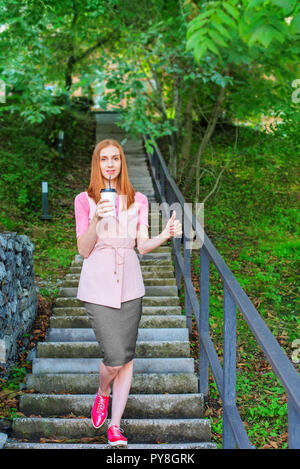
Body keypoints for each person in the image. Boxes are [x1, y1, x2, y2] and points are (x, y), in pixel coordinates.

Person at [74, 138, 182, 447]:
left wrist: (165, 234)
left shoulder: (139, 200)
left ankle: (115, 426)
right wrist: (96, 218)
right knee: (114, 357)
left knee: (127, 358)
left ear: (122, 163)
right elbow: (83, 249)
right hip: (97, 283)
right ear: (97, 164)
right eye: (104, 159)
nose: (110, 164)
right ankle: (103, 392)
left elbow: (142, 246)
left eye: (115, 158)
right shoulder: (85, 199)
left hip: (131, 284)